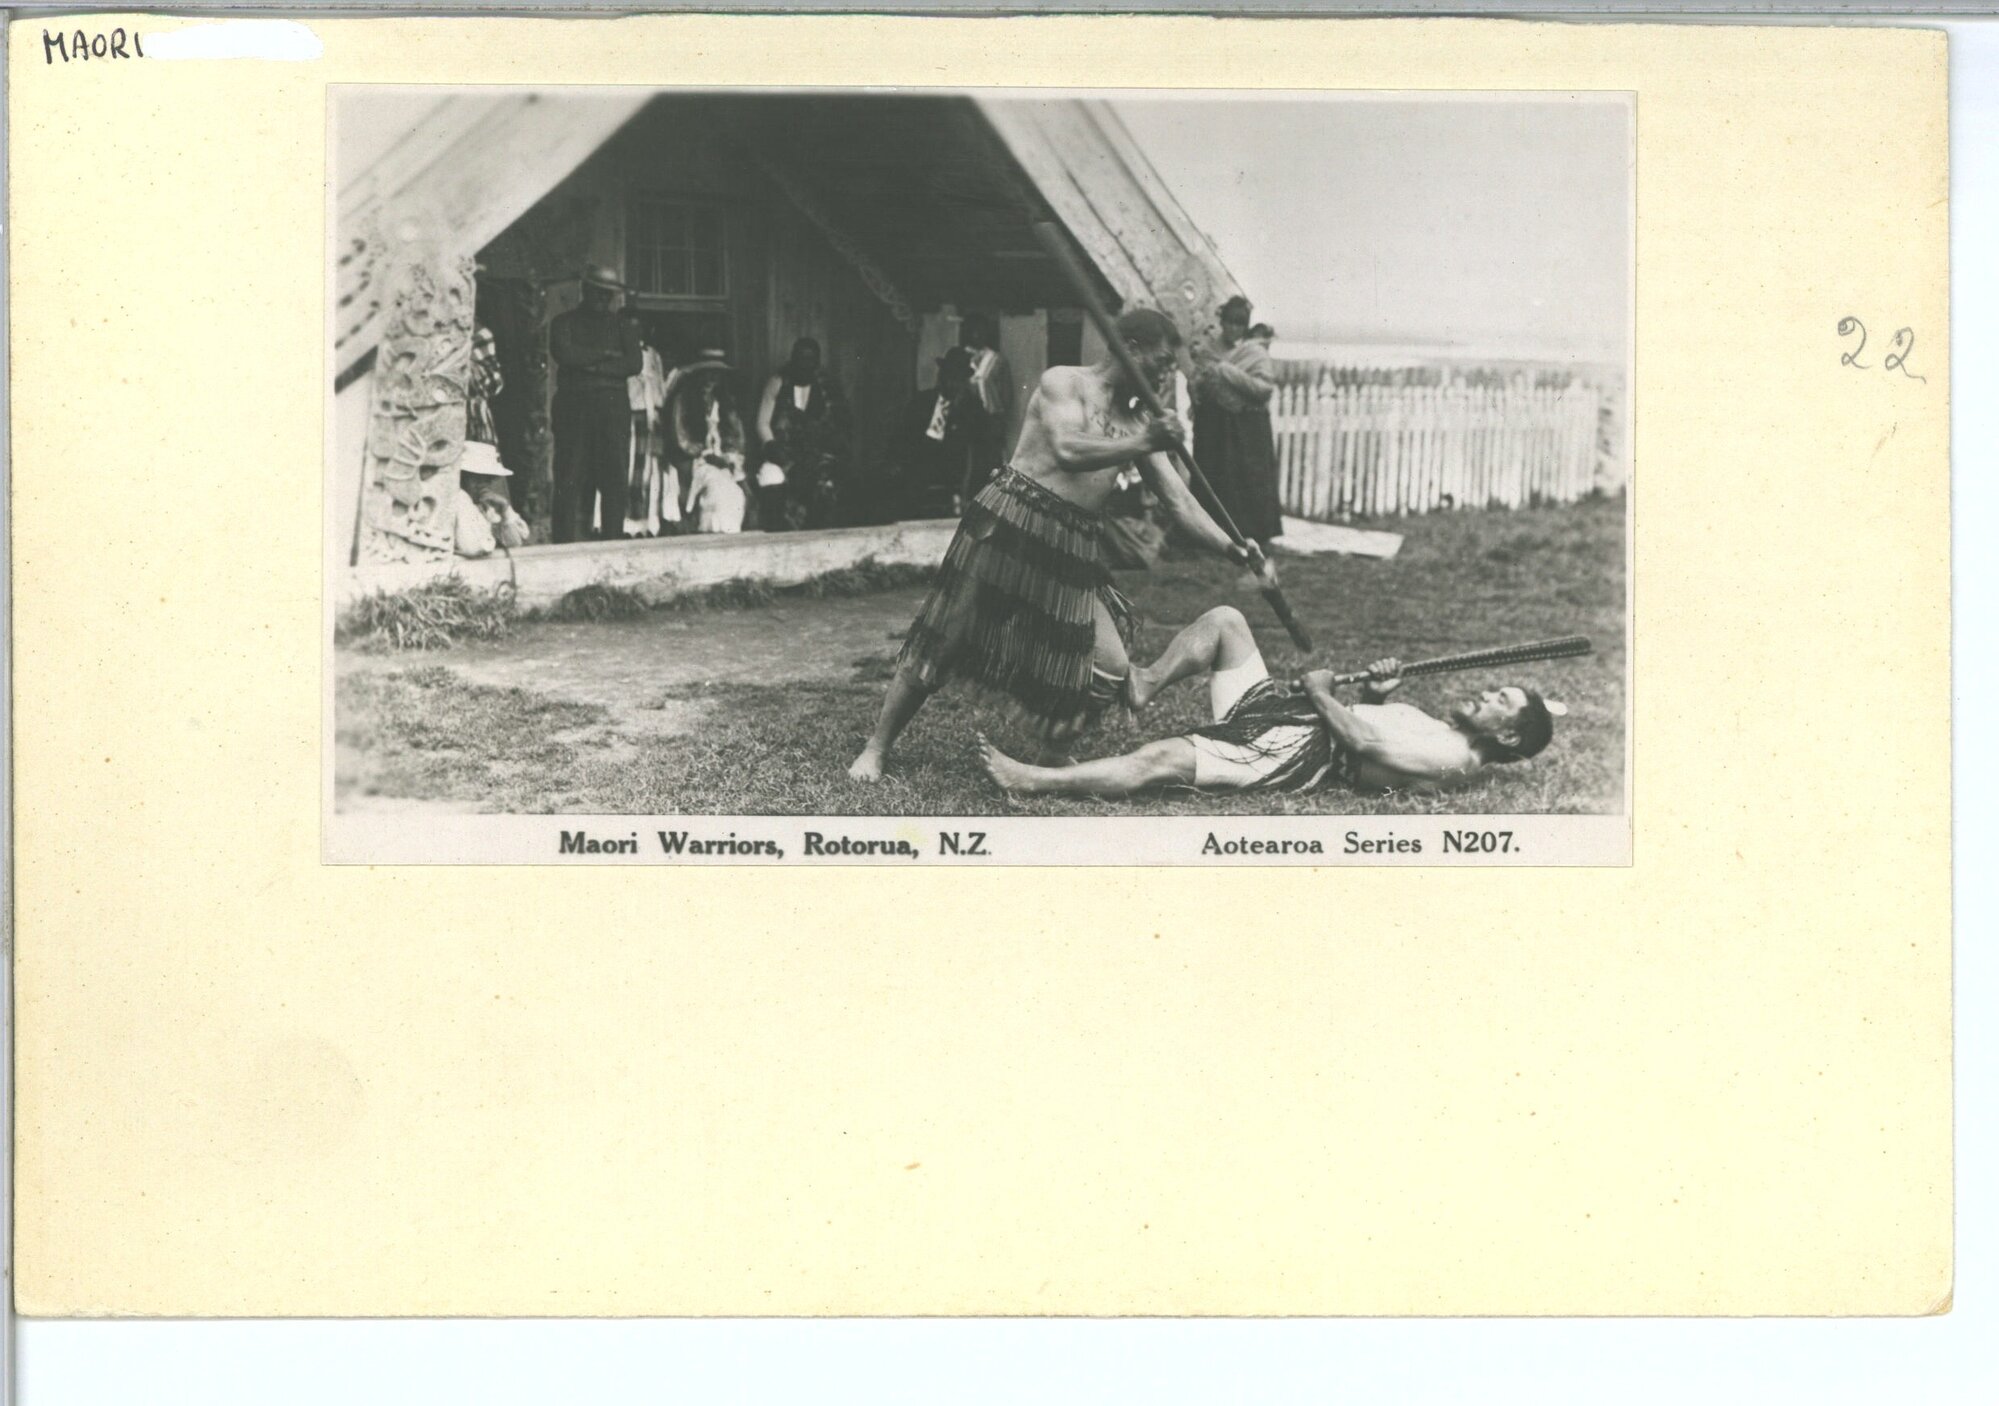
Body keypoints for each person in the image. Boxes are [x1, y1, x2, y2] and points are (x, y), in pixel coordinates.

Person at [848, 306, 1280, 783]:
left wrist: (1233, 547)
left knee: (1109, 666)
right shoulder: (1064, 383)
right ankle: (876, 746)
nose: (1163, 376)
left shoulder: (1139, 423)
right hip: (1010, 522)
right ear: (1128, 349)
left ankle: (1052, 752)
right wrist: (1146, 441)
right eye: (1158, 363)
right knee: (944, 637)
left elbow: (1179, 503)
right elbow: (1069, 451)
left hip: (1071, 543)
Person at [977, 605, 1561, 798]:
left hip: (1294, 752)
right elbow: (1372, 722)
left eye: (1500, 698)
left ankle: (1032, 780)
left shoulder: (1456, 759)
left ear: (1508, 735)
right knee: (1227, 621)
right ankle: (1146, 683)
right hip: (1291, 717)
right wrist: (1377, 693)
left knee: (1163, 759)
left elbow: (1358, 743)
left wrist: (1319, 691)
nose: (1487, 692)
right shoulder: (1446, 732)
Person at [549, 265, 643, 542]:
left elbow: (633, 364)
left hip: (612, 409)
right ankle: (563, 544)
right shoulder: (564, 323)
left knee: (614, 478)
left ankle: (612, 542)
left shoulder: (623, 326)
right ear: (585, 290)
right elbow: (565, 354)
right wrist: (606, 356)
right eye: (598, 293)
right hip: (573, 406)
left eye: (609, 295)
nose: (603, 299)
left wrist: (588, 364)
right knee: (569, 475)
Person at [1192, 295, 1284, 552]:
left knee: (1248, 479)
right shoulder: (1209, 348)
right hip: (1213, 424)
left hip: (1247, 426)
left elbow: (1264, 388)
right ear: (1222, 322)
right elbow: (1198, 379)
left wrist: (1225, 371)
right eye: (1230, 323)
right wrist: (1198, 388)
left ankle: (1255, 534)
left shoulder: (1254, 353)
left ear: (1246, 326)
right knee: (1215, 476)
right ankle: (1213, 535)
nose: (1234, 329)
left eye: (1240, 324)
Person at [756, 337, 852, 531]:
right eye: (800, 358)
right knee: (771, 480)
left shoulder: (829, 388)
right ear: (793, 359)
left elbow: (840, 428)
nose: (805, 364)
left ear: (817, 362)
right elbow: (762, 423)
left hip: (819, 457)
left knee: (824, 488)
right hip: (783, 454)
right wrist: (771, 445)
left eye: (810, 360)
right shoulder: (777, 383)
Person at [890, 346, 984, 519]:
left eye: (957, 378)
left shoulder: (972, 408)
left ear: (964, 380)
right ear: (941, 376)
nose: (951, 383)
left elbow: (979, 447)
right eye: (948, 375)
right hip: (919, 480)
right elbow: (903, 438)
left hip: (953, 481)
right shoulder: (922, 403)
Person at [664, 344, 749, 535]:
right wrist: (707, 455)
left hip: (723, 463)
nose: (711, 379)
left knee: (737, 494)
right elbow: (682, 439)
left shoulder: (725, 403)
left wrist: (728, 458)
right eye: (707, 373)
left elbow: (736, 439)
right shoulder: (684, 400)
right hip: (694, 461)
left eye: (716, 374)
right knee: (719, 491)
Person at [622, 311, 672, 537]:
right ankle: (629, 524)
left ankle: (650, 522)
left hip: (653, 416)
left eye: (638, 327)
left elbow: (660, 386)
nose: (635, 332)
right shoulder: (619, 353)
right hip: (632, 414)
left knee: (652, 470)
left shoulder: (653, 355)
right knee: (632, 468)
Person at [959, 312, 1012, 502]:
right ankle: (967, 498)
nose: (977, 335)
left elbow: (1006, 393)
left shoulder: (997, 360)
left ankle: (994, 500)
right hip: (968, 419)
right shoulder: (961, 357)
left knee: (992, 459)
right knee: (970, 459)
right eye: (973, 331)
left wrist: (1000, 416)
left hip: (992, 417)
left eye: (981, 332)